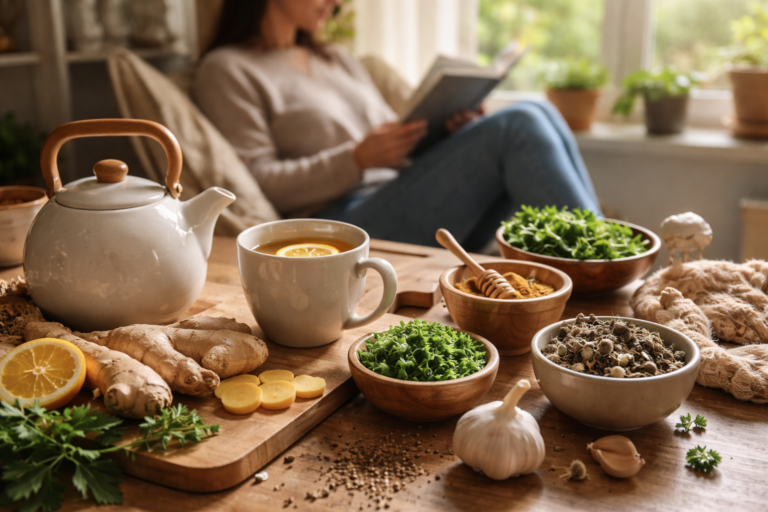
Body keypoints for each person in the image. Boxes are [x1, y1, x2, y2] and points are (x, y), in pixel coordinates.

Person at [194, 0, 601, 251]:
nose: (335, 2)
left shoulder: (337, 58)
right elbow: (258, 181)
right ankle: (604, 265)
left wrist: (447, 134)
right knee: (519, 124)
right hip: (347, 222)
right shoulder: (228, 69)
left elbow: (393, 144)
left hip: (403, 192)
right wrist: (356, 159)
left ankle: (604, 262)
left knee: (538, 111)